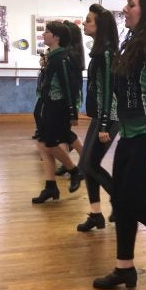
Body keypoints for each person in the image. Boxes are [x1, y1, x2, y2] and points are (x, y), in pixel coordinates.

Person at [92, 0, 146, 290]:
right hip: (130, 135)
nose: (124, 9)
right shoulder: (132, 45)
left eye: (131, 4)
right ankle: (124, 268)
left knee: (132, 199)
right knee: (121, 200)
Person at [76, 4, 119, 232]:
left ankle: (121, 203)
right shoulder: (100, 50)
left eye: (88, 20)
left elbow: (108, 89)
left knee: (89, 164)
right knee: (87, 164)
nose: (84, 23)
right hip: (102, 115)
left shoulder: (107, 52)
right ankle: (95, 214)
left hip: (109, 117)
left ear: (99, 26)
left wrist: (103, 124)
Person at [31, 21, 83, 203]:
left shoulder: (61, 58)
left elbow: (68, 87)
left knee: (51, 144)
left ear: (56, 37)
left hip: (57, 107)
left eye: (47, 32)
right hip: (47, 106)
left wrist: (72, 111)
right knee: (42, 146)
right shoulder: (52, 57)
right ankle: (50, 186)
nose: (43, 34)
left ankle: (74, 169)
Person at [55, 20, 85, 174]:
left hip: (71, 97)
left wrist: (72, 107)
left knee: (65, 132)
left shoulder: (70, 54)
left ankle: (85, 162)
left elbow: (71, 84)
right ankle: (66, 163)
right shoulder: (68, 53)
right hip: (69, 96)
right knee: (64, 132)